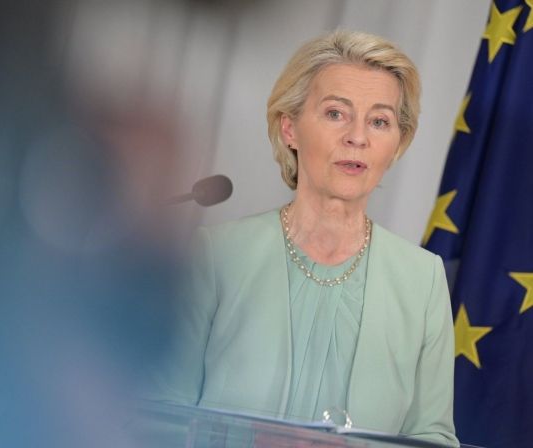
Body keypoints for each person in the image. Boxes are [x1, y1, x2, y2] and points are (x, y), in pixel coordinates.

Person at [156, 30, 458, 447]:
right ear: (290, 129)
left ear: (396, 145)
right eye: (336, 113)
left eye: (379, 121)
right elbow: (157, 419)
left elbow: (433, 439)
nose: (358, 137)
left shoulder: (422, 280)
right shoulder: (216, 256)